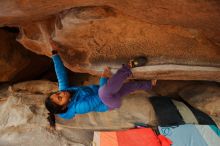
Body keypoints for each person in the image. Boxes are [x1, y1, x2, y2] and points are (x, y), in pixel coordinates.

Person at [45, 40, 157, 128]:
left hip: (106, 91)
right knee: (104, 92)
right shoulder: (79, 108)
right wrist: (103, 77)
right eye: (60, 98)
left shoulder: (64, 91)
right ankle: (129, 67)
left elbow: (60, 74)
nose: (61, 93)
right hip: (109, 103)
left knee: (126, 88)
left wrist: (54, 53)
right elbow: (100, 97)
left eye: (57, 93)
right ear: (64, 106)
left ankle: (149, 84)